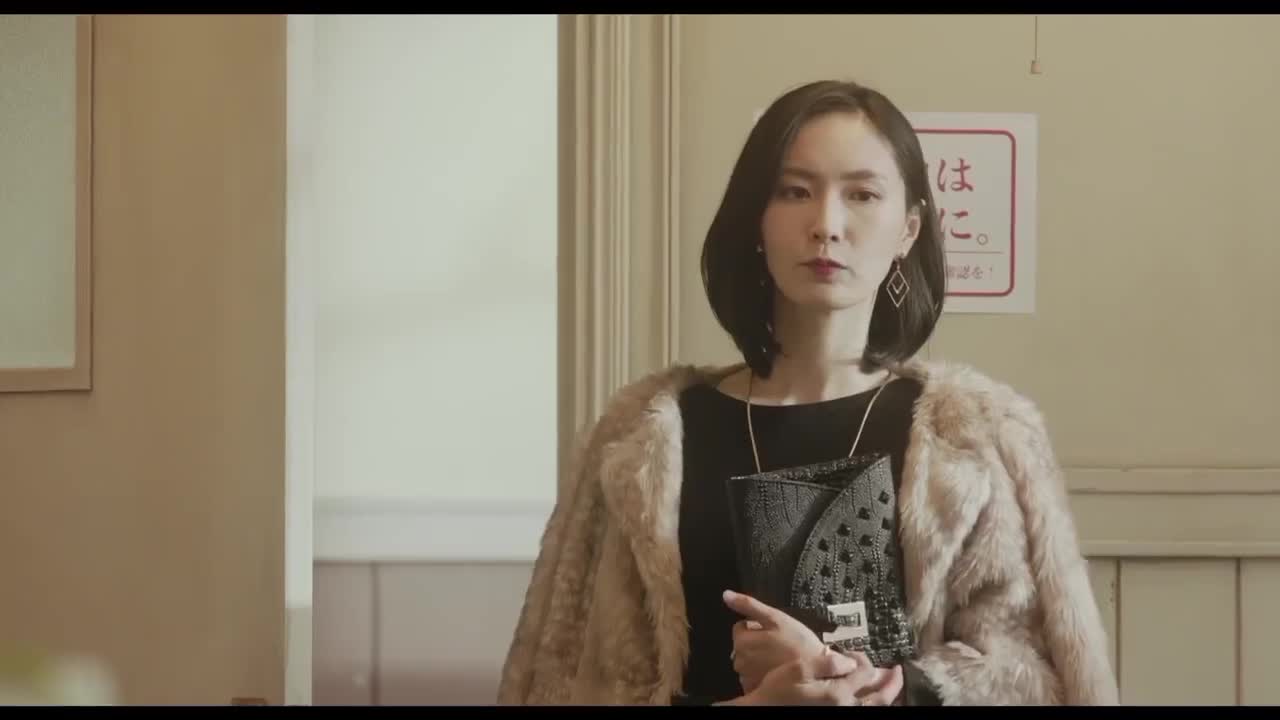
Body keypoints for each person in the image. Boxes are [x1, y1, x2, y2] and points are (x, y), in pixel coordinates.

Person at [496, 79, 1119, 706]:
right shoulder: (645, 436)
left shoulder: (978, 436)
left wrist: (877, 688)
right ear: (756, 220)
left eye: (862, 194)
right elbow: (562, 681)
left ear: (908, 228)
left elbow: (1030, 676)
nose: (826, 225)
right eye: (795, 191)